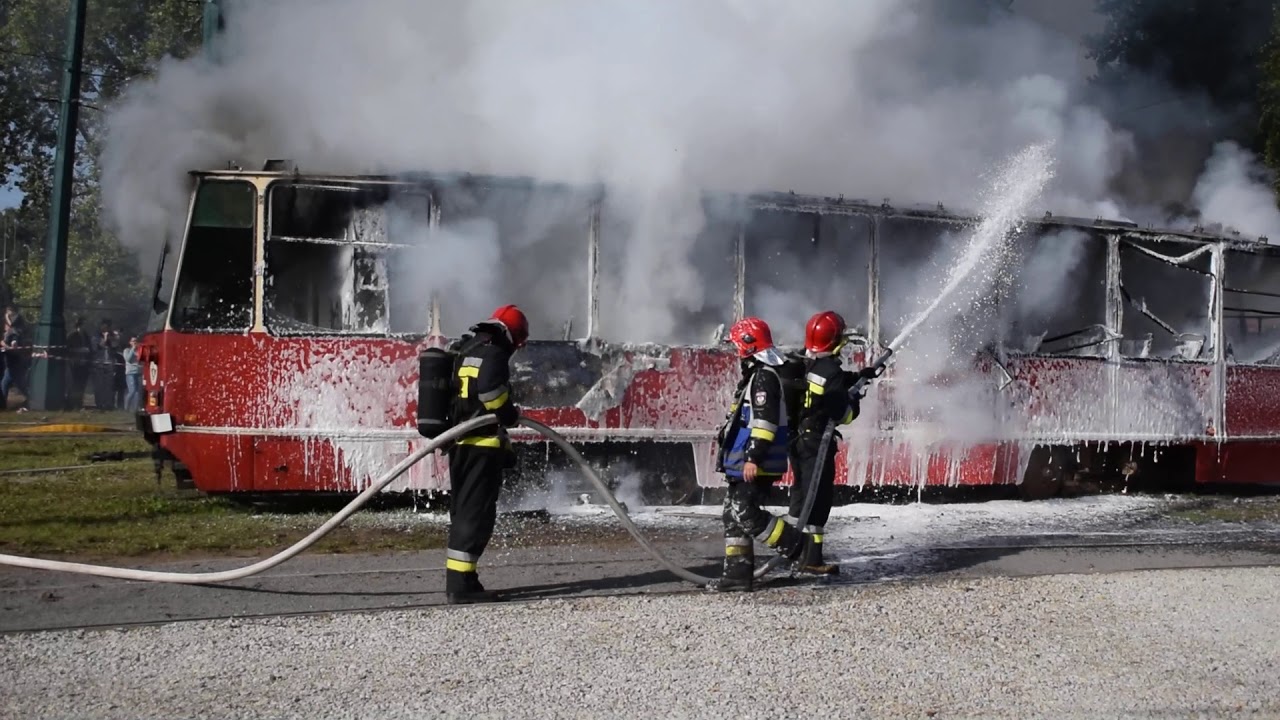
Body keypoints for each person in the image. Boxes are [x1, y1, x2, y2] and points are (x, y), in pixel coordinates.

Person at [710, 316, 804, 593]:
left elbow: (765, 422)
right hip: (742, 460)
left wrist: (753, 457)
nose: (736, 350)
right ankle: (738, 575)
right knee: (732, 514)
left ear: (749, 345)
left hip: (755, 461)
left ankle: (798, 546)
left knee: (745, 512)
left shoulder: (763, 378)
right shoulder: (756, 376)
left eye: (738, 344)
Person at [444, 304, 529, 604]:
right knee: (476, 515)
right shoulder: (494, 353)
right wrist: (510, 415)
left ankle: (466, 579)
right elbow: (491, 393)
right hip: (481, 445)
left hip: (460, 443)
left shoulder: (469, 347)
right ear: (515, 337)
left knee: (465, 512)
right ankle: (460, 586)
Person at [786, 310, 878, 576]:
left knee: (801, 496)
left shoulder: (804, 362)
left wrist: (857, 377)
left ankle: (793, 550)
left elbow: (822, 384)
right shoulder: (831, 372)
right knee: (818, 499)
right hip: (818, 443)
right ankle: (811, 559)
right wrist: (855, 399)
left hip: (798, 441)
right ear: (837, 341)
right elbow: (844, 415)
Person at [123, 336, 142, 412]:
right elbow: (128, 359)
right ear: (130, 342)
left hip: (139, 372)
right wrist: (133, 349)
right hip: (130, 373)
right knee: (132, 390)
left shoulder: (139, 350)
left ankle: (135, 408)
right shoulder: (127, 350)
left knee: (137, 392)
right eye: (133, 341)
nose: (135, 342)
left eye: (136, 341)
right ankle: (126, 408)